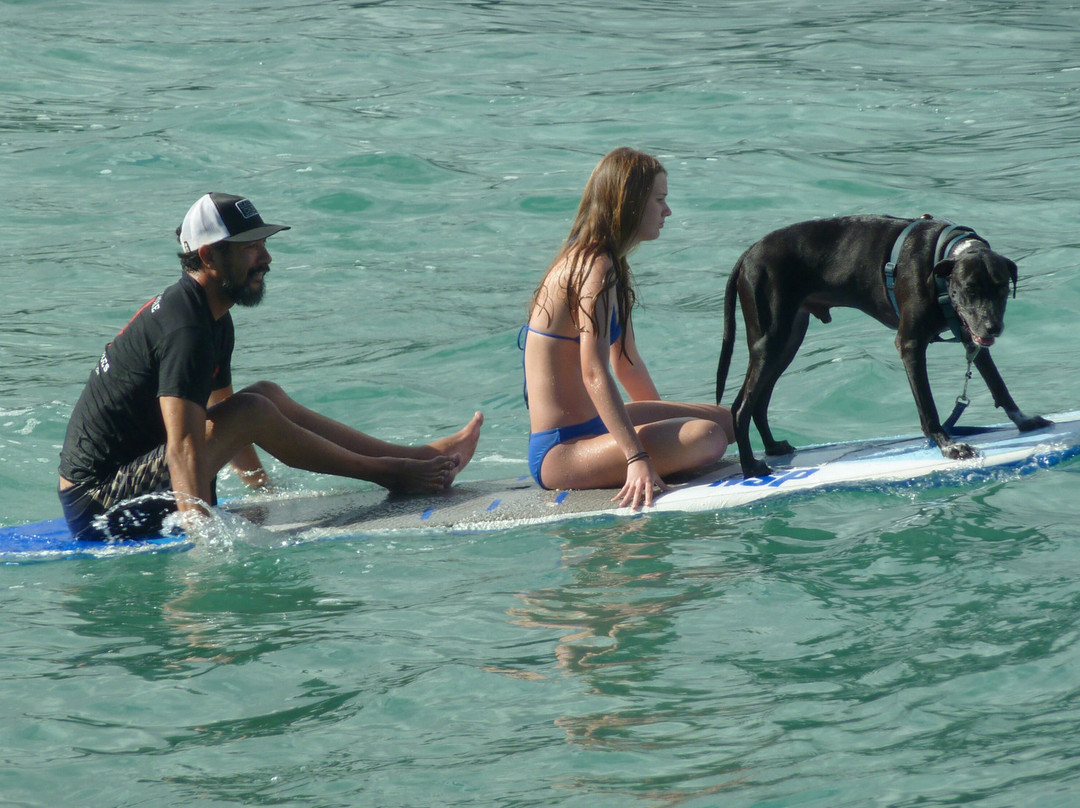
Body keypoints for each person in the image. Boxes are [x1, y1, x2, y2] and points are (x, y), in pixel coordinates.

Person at [58, 192, 483, 540]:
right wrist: (204, 544)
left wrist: (263, 492)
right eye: (250, 248)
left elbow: (221, 414)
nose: (266, 258)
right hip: (99, 505)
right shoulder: (185, 327)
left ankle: (413, 457)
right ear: (209, 256)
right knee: (252, 410)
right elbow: (183, 444)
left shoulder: (211, 316)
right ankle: (393, 474)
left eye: (263, 244)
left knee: (264, 395)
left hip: (132, 479)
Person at [521, 147, 733, 510]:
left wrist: (672, 429)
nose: (667, 211)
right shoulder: (594, 269)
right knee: (708, 437)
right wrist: (637, 457)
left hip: (599, 425)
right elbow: (593, 371)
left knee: (729, 422)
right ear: (630, 203)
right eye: (659, 199)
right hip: (564, 450)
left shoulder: (613, 264)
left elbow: (626, 363)